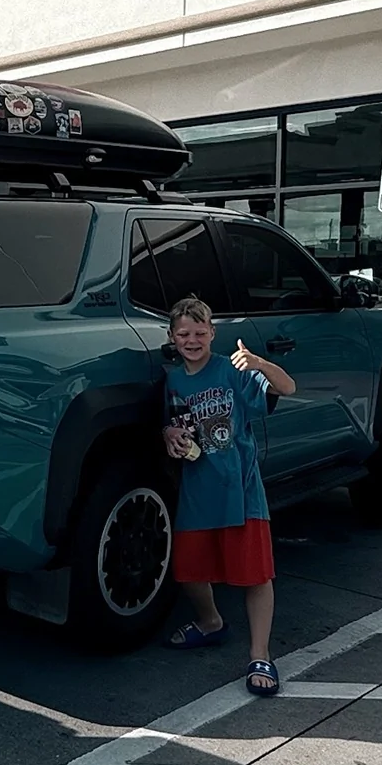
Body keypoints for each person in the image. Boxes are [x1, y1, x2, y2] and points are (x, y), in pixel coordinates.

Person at [160, 296, 297, 697]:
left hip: (241, 488)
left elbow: (287, 387)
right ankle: (210, 622)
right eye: (184, 333)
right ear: (172, 337)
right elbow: (169, 424)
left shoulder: (232, 370)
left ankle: (260, 654)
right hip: (198, 489)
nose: (192, 340)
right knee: (189, 570)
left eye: (200, 332)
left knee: (255, 574)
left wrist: (259, 364)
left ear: (212, 334)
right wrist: (168, 434)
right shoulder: (172, 381)